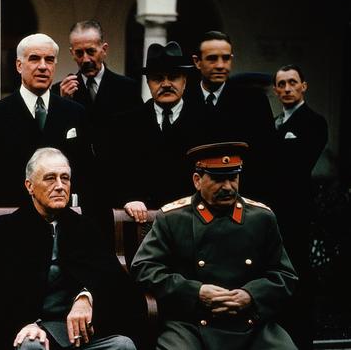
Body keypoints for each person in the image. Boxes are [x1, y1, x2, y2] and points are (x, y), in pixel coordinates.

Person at [131, 141, 298, 350]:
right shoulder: (173, 218)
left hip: (250, 322)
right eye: (218, 179)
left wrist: (251, 295)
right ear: (197, 180)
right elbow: (144, 268)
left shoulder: (261, 217)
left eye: (233, 178)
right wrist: (196, 292)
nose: (227, 187)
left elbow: (284, 274)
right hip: (191, 322)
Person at [0, 147, 139, 350]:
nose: (60, 186)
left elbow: (114, 281)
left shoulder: (85, 228)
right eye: (50, 178)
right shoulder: (6, 230)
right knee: (30, 346)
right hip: (34, 331)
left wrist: (87, 297)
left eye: (65, 178)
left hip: (82, 333)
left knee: (123, 345)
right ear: (30, 186)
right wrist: (24, 324)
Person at [0, 33, 94, 209]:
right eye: (35, 59)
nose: (43, 67)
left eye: (49, 60)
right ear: (19, 65)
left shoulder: (75, 113)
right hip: (13, 223)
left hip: (65, 223)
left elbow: (87, 175)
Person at [52, 19, 143, 221]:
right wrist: (62, 103)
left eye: (91, 51)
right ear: (71, 52)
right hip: (79, 192)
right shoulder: (60, 91)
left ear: (104, 49)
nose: (85, 59)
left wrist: (132, 195)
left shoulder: (127, 88)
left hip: (118, 191)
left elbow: (137, 145)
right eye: (79, 53)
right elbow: (54, 144)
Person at [272, 64, 328, 349]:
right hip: (274, 212)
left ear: (304, 86)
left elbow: (297, 164)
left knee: (298, 275)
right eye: (281, 84)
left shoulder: (314, 122)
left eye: (292, 82)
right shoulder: (275, 122)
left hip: (297, 213)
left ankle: (302, 340)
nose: (286, 89)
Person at [185, 31, 277, 203]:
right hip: (191, 203)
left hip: (239, 201)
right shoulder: (183, 99)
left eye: (226, 58)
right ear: (197, 61)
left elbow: (266, 157)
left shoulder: (253, 101)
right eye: (212, 58)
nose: (220, 65)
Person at [117, 41, 203, 222]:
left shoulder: (204, 121)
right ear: (148, 82)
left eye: (173, 77)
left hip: (192, 220)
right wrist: (128, 198)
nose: (166, 84)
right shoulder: (126, 123)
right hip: (143, 220)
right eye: (158, 78)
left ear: (185, 81)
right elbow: (117, 171)